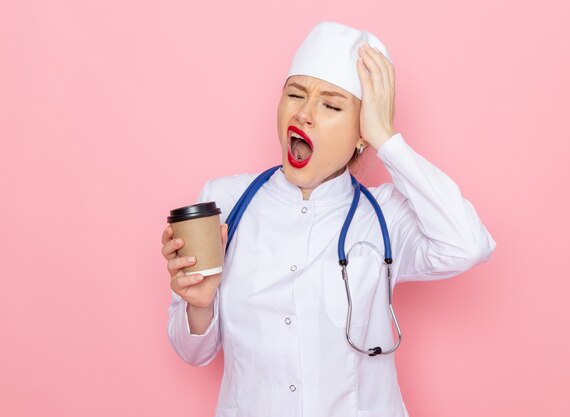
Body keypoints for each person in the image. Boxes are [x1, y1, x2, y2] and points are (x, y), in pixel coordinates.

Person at [161, 21, 496, 417]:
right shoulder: (224, 203)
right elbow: (193, 353)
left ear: (361, 134)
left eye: (331, 105)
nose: (304, 114)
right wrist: (198, 307)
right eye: (295, 94)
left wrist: (387, 140)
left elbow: (467, 245)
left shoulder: (386, 215)